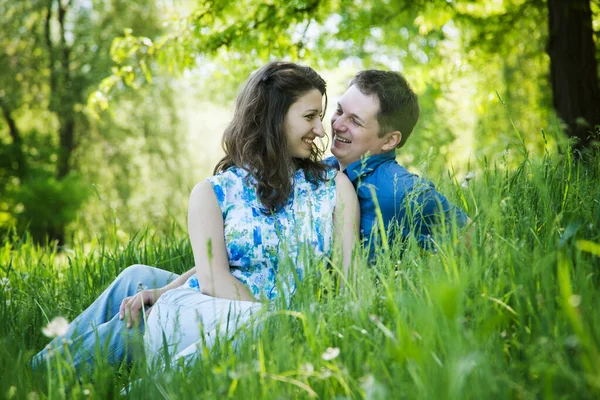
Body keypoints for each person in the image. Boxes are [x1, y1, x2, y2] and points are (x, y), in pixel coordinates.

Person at [31, 61, 359, 372]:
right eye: (310, 116)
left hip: (243, 315)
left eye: (321, 116)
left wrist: (286, 321)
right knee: (136, 280)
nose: (320, 129)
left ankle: (42, 372)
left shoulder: (333, 188)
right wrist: (167, 291)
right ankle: (42, 370)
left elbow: (348, 279)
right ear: (274, 118)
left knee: (146, 314)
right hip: (224, 306)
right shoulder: (215, 192)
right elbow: (215, 274)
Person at [325, 70, 470, 259]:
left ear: (389, 140)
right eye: (339, 111)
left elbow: (485, 246)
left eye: (355, 121)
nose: (337, 125)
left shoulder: (403, 191)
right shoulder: (319, 171)